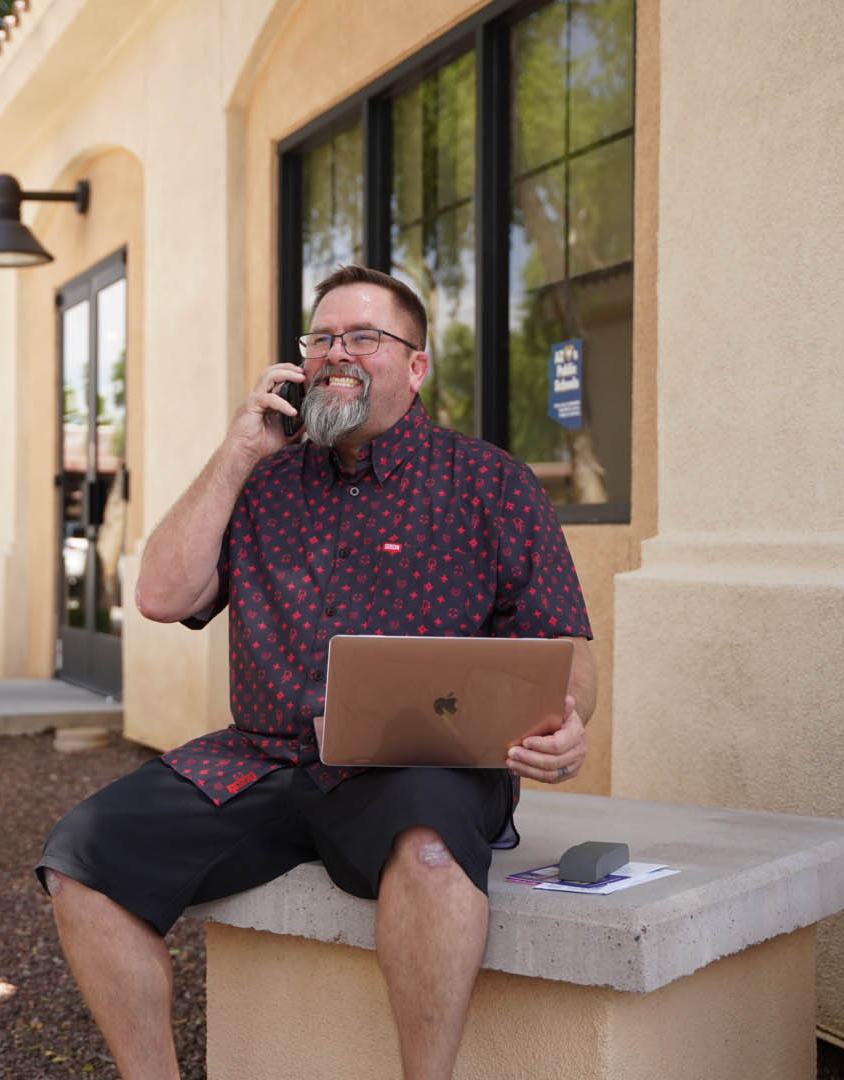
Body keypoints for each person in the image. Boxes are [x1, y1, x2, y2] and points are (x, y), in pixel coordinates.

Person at [37, 265, 596, 1080]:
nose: (339, 352)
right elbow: (160, 596)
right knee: (79, 859)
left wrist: (567, 720)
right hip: (261, 757)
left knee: (433, 854)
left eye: (364, 337)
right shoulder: (262, 482)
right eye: (323, 337)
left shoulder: (490, 483)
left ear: (415, 366)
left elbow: (566, 646)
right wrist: (236, 453)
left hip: (415, 761)